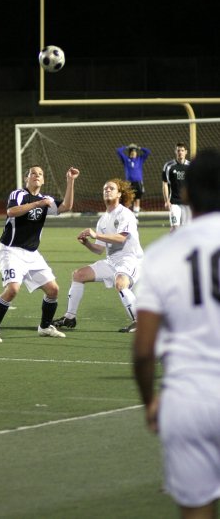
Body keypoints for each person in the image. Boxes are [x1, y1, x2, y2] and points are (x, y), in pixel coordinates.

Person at [133, 148, 220, 519]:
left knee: (196, 511)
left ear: (186, 193)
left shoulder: (162, 254)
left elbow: (143, 350)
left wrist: (150, 400)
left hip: (189, 398)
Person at [0, 165, 80, 343]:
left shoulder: (46, 199)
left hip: (32, 254)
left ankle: (44, 327)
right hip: (10, 250)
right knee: (12, 289)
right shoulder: (18, 194)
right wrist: (37, 204)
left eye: (40, 174)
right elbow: (11, 211)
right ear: (27, 178)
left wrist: (70, 181)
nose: (37, 176)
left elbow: (66, 206)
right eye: (33, 173)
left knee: (53, 290)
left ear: (43, 180)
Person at [53, 178, 143, 333]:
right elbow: (99, 249)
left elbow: (121, 238)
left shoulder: (125, 214)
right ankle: (69, 317)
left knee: (120, 283)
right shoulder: (103, 219)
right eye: (105, 189)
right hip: (112, 261)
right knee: (78, 275)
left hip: (130, 259)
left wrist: (96, 235)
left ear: (119, 194)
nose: (107, 190)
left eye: (111, 188)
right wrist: (87, 243)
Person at [116, 143, 151, 221]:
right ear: (129, 153)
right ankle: (126, 217)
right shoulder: (126, 160)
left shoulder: (140, 159)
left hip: (138, 182)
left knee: (137, 199)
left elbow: (148, 152)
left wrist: (139, 147)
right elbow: (118, 151)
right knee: (128, 199)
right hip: (129, 183)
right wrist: (127, 147)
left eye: (134, 152)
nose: (133, 153)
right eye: (132, 152)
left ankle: (136, 217)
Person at [162, 142, 191, 231]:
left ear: (186, 152)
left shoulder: (191, 166)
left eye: (182, 150)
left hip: (187, 203)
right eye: (178, 150)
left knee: (187, 229)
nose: (180, 152)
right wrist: (166, 200)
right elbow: (165, 183)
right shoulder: (168, 166)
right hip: (174, 203)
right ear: (175, 151)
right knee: (175, 228)